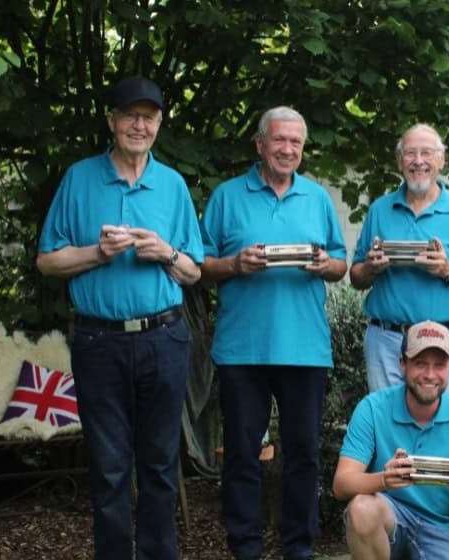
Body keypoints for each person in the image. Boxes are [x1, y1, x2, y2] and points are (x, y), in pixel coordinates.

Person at [37, 75, 203, 560]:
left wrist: (166, 252)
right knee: (109, 468)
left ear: (159, 124)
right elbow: (48, 261)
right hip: (99, 342)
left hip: (164, 338)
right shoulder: (80, 178)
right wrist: (97, 253)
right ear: (111, 121)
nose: (139, 124)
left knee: (159, 464)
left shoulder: (171, 185)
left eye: (148, 116)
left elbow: (193, 271)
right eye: (130, 115)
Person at [199, 106, 348, 560]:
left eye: (296, 143)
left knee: (303, 455)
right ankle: (244, 547)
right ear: (260, 144)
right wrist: (233, 265)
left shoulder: (317, 198)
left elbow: (342, 263)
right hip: (243, 349)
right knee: (242, 455)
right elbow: (197, 267)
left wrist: (327, 265)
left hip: (305, 349)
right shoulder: (227, 197)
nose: (287, 150)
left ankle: (297, 548)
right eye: (279, 140)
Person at [350, 124, 449, 395]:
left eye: (427, 152)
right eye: (410, 153)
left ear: (441, 160)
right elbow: (356, 277)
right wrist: (370, 268)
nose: (418, 161)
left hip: (441, 340)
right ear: (400, 161)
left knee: (441, 427)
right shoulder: (380, 209)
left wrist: (448, 271)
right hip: (386, 341)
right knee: (388, 427)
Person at [333, 321, 449, 560]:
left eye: (439, 365)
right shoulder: (372, 408)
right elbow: (342, 484)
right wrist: (384, 479)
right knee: (362, 508)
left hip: (443, 529)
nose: (429, 375)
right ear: (403, 365)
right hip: (390, 519)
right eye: (420, 364)